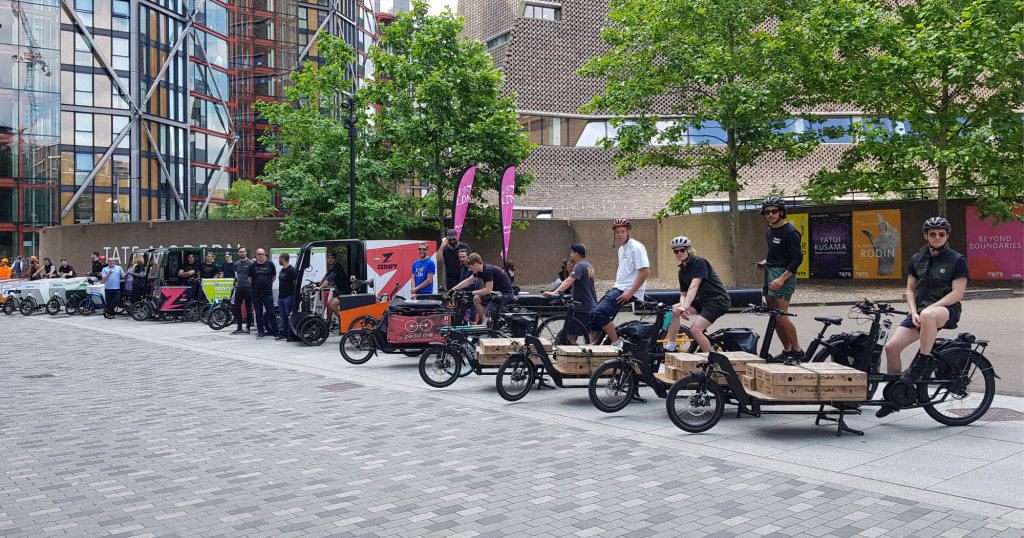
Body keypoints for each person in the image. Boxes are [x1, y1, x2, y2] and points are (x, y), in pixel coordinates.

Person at [877, 217, 969, 417]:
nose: (937, 237)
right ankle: (895, 395)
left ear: (947, 236)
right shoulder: (917, 258)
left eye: (941, 234)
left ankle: (921, 363)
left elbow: (957, 294)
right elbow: (910, 290)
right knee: (891, 348)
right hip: (920, 313)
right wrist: (913, 312)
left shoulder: (957, 260)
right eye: (933, 234)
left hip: (946, 310)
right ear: (925, 236)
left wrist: (928, 309)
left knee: (929, 314)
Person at [756, 197, 803, 360]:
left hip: (784, 275)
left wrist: (782, 279)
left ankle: (798, 351)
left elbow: (797, 259)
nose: (770, 214)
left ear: (781, 212)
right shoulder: (770, 230)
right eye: (767, 212)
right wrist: (764, 262)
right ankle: (787, 350)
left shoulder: (790, 232)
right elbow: (774, 255)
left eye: (774, 211)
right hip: (771, 273)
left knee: (781, 315)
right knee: (774, 315)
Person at [664, 237, 731, 353]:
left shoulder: (699, 263)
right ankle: (671, 347)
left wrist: (684, 307)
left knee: (695, 330)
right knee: (672, 311)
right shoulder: (682, 271)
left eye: (682, 250)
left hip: (717, 300)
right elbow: (683, 294)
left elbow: (694, 286)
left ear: (689, 249)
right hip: (702, 300)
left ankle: (709, 362)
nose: (679, 253)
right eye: (676, 251)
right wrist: (681, 307)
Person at [589, 219, 650, 346]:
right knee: (593, 315)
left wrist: (630, 293)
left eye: (623, 231)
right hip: (619, 287)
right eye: (617, 232)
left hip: (627, 290)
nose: (620, 235)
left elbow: (645, 273)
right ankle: (594, 349)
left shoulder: (636, 248)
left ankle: (616, 344)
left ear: (629, 232)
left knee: (600, 313)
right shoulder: (622, 249)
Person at [544, 244, 597, 344]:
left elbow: (569, 281)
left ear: (576, 254)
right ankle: (590, 355)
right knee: (589, 334)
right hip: (591, 305)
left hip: (581, 307)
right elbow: (575, 281)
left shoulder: (579, 265)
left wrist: (554, 292)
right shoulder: (589, 265)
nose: (570, 254)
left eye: (571, 252)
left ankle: (571, 356)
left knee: (570, 334)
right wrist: (570, 272)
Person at [451, 253, 515, 325]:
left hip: (504, 294)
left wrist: (470, 293)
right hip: (495, 293)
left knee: (486, 318)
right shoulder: (480, 270)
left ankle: (486, 326)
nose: (470, 269)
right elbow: (468, 281)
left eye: (470, 267)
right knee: (476, 299)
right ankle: (488, 321)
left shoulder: (487, 270)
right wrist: (453, 289)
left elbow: (488, 290)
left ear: (475, 264)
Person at [249, 248, 279, 340]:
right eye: (259, 254)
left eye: (262, 254)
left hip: (267, 293)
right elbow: (249, 279)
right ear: (256, 255)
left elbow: (274, 277)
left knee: (271, 313)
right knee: (258, 313)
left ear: (265, 255)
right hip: (256, 294)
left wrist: (267, 283)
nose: (261, 256)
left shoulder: (270, 264)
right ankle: (260, 331)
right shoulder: (252, 266)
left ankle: (276, 332)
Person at [317, 251, 351, 327]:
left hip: (346, 290)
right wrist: (318, 284)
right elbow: (326, 276)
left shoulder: (337, 267)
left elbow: (330, 278)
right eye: (328, 258)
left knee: (333, 305)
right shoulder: (332, 267)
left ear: (335, 259)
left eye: (332, 258)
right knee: (328, 304)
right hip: (340, 290)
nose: (330, 260)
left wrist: (320, 287)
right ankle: (328, 322)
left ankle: (345, 321)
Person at [231, 247, 255, 335]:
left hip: (248, 288)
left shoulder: (251, 263)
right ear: (238, 253)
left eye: (243, 251)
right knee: (237, 307)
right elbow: (236, 275)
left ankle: (248, 327)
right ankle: (239, 327)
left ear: (246, 253)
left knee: (248, 308)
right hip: (239, 288)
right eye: (240, 252)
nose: (242, 253)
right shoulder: (236, 264)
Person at [277, 252, 299, 341]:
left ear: (282, 259)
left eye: (279, 259)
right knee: (283, 316)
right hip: (282, 297)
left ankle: (291, 334)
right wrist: (279, 296)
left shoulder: (292, 270)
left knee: (289, 316)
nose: (278, 260)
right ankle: (284, 333)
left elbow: (296, 284)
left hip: (288, 297)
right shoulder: (282, 270)